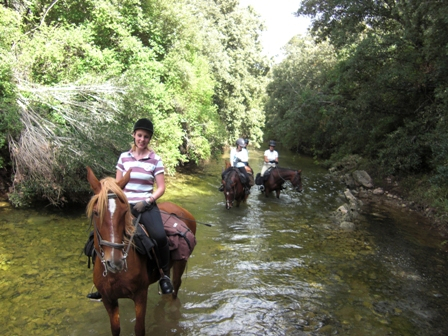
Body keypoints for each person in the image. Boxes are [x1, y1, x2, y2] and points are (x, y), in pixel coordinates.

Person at [87, 118, 173, 300]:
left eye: (146, 137)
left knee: (159, 236)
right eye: (139, 135)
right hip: (124, 206)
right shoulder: (123, 157)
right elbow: (118, 186)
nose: (142, 139)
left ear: (150, 139)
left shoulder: (155, 159)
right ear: (134, 135)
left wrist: (148, 200)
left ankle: (164, 276)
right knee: (96, 236)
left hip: (146, 205)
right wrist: (119, 204)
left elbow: (161, 188)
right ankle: (101, 282)